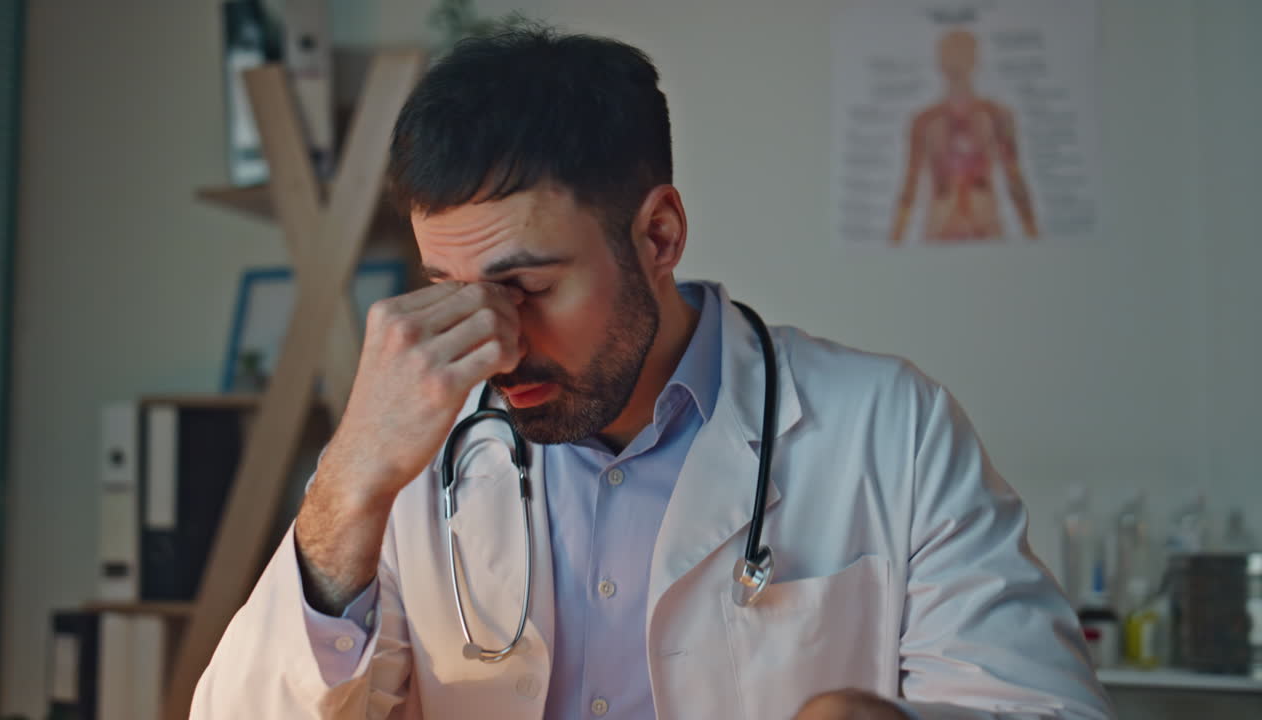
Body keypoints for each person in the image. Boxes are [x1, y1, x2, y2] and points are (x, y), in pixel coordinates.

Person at [192, 25, 1113, 720]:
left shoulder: (891, 430)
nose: (495, 343)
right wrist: (349, 481)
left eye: (526, 286)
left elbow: (1040, 706)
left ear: (659, 234)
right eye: (451, 292)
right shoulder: (409, 466)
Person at [889, 29, 1039, 246]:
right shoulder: (924, 121)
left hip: (986, 223)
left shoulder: (996, 115)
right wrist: (893, 244)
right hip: (940, 226)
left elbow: (1015, 182)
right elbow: (909, 188)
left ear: (975, 59)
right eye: (949, 55)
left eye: (961, 54)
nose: (955, 63)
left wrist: (1035, 238)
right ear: (939, 62)